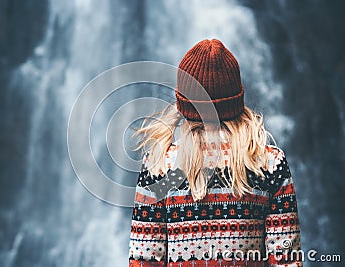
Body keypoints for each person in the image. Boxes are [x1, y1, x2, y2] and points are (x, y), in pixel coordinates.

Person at [128, 39, 302, 267]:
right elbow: (287, 260)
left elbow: (144, 260)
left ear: (184, 105)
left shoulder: (160, 166)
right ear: (237, 100)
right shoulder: (268, 163)